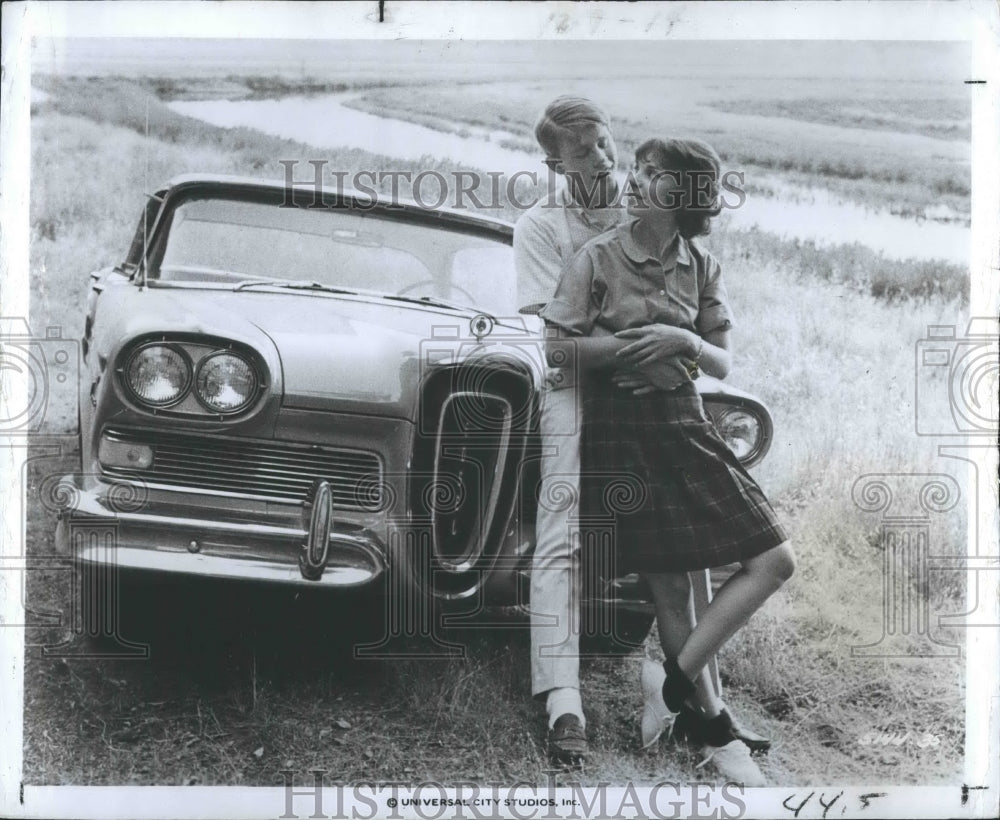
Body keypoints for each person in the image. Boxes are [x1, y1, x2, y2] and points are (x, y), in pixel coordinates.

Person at [515, 100, 768, 771]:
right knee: (563, 523)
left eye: (605, 144)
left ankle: (698, 702)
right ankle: (563, 696)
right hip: (583, 388)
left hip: (657, 399)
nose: (602, 160)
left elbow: (706, 335)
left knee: (688, 561)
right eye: (583, 153)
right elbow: (560, 342)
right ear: (554, 164)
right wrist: (648, 348)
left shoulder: (651, 220)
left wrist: (676, 346)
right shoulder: (545, 228)